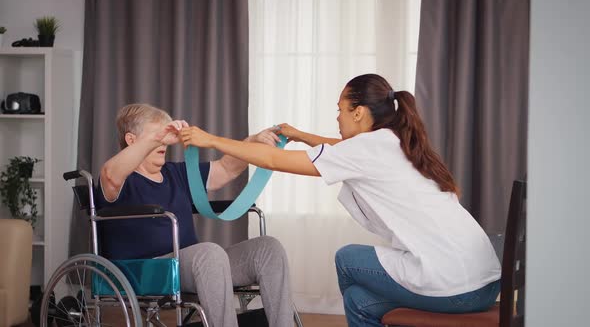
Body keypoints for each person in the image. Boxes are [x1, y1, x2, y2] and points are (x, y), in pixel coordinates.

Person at [180, 74, 502, 327]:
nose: (337, 117)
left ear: (359, 112)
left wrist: (208, 139)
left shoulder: (369, 149)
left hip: (453, 287)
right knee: (359, 301)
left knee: (347, 258)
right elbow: (342, 151)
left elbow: (275, 161)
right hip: (484, 281)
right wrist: (303, 136)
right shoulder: (397, 142)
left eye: (340, 109)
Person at [95, 103, 293, 327]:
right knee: (209, 253)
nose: (166, 140)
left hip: (193, 265)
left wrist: (252, 143)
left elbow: (226, 169)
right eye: (158, 134)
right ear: (131, 140)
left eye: (167, 134)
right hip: (146, 270)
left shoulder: (176, 172)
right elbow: (109, 175)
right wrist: (159, 137)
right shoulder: (120, 179)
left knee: (268, 249)